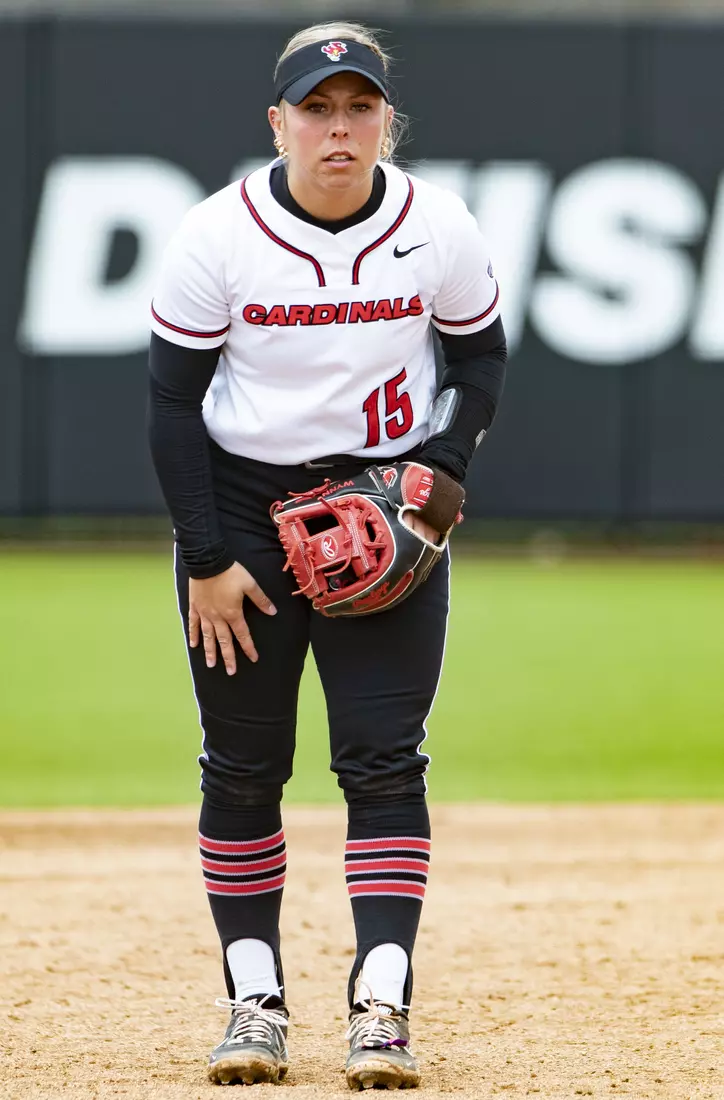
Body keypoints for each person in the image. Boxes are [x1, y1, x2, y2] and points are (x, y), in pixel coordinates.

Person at [148, 19, 507, 1090]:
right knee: (242, 765)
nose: (338, 129)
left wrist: (442, 470)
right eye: (317, 109)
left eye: (359, 108)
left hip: (384, 506)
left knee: (385, 760)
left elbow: (479, 357)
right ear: (280, 123)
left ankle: (381, 1008)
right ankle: (253, 1002)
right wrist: (206, 556)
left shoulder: (436, 225)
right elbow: (171, 406)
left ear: (387, 121)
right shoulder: (219, 235)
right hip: (244, 513)